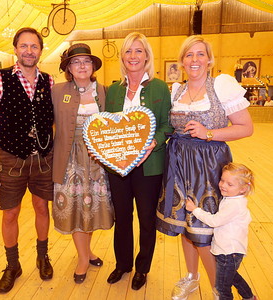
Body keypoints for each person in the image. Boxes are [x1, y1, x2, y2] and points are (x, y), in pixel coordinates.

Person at [156, 35, 253, 300]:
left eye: (200, 54)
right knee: (186, 226)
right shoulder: (176, 89)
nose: (195, 59)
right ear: (182, 61)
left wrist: (208, 133)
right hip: (179, 163)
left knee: (205, 231)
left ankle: (219, 290)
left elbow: (246, 128)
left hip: (210, 166)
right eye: (189, 55)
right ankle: (191, 278)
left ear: (210, 60)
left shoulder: (221, 86)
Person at [0, 27, 54, 294]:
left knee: (42, 208)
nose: (29, 51)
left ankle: (42, 256)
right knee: (10, 212)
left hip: (44, 158)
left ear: (41, 51)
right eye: (24, 46)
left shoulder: (49, 81)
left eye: (34, 46)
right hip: (11, 158)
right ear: (15, 49)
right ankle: (13, 265)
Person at [105, 32, 172, 291]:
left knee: (146, 218)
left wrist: (153, 143)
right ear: (122, 56)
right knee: (122, 217)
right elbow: (105, 126)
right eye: (128, 51)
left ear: (147, 56)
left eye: (138, 51)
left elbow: (167, 125)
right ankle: (123, 264)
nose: (133, 56)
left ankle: (142, 267)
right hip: (118, 167)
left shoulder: (159, 87)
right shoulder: (113, 89)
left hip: (149, 165)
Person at [51, 43, 114, 284]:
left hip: (96, 161)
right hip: (68, 159)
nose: (81, 66)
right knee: (75, 208)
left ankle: (87, 252)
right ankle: (82, 258)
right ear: (68, 67)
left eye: (86, 61)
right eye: (76, 62)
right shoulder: (57, 91)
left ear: (93, 66)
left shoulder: (105, 91)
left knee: (90, 209)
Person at [185, 162, 257, 300]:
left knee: (222, 288)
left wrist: (195, 209)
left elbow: (215, 221)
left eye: (230, 184)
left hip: (229, 253)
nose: (223, 185)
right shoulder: (234, 199)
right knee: (234, 277)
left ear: (243, 189)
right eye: (222, 180)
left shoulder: (234, 205)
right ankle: (249, 297)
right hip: (232, 252)